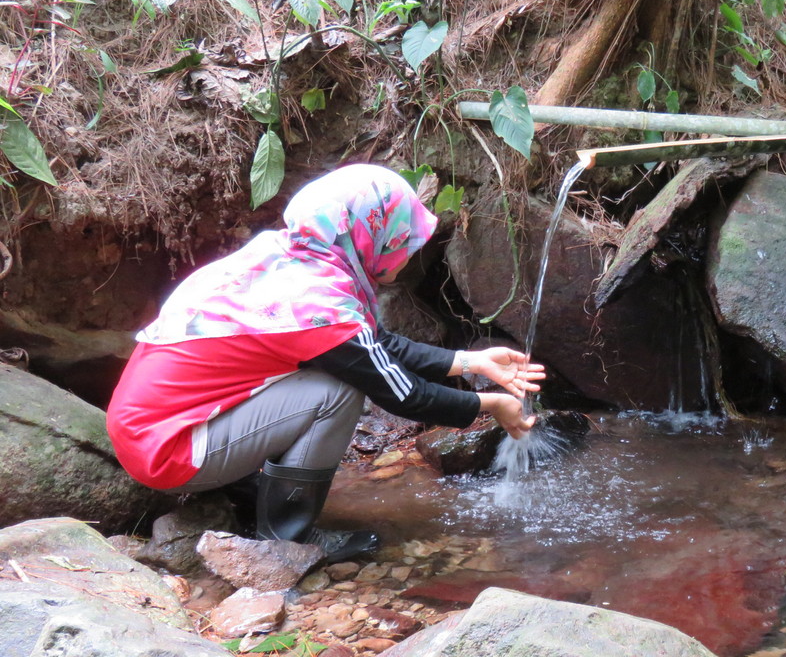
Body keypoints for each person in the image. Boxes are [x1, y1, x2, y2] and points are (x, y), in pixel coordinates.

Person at [106, 164, 544, 562]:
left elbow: (372, 344)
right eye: (404, 242)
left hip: (145, 426)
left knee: (332, 369)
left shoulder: (290, 258)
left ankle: (245, 488)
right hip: (169, 451)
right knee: (338, 390)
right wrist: (492, 405)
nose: (409, 254)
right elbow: (405, 396)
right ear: (373, 236)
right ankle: (288, 540)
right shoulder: (320, 308)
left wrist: (473, 362)